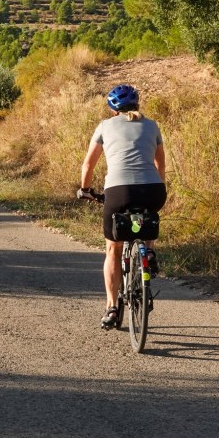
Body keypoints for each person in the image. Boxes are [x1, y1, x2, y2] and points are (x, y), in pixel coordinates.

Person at [78, 84, 166, 329]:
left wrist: (85, 190)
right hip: (153, 190)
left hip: (119, 191)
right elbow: (160, 165)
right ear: (137, 104)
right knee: (148, 217)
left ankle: (112, 308)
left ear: (112, 109)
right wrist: (158, 189)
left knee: (113, 249)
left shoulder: (105, 126)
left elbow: (88, 166)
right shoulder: (152, 126)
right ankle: (148, 251)